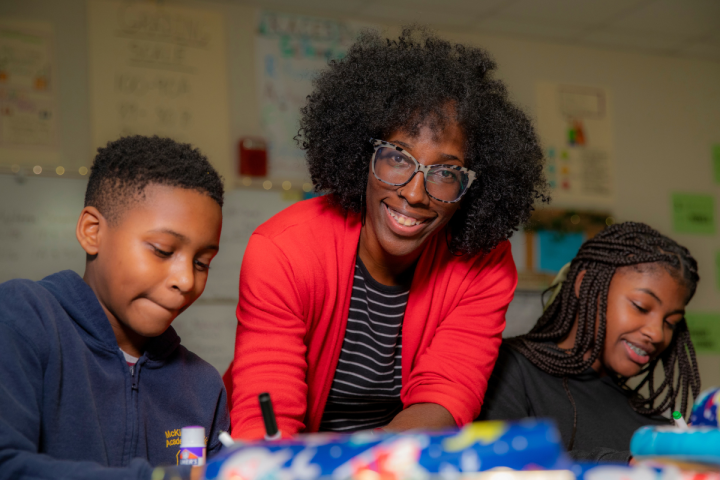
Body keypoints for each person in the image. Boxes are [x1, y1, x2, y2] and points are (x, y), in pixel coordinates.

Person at [226, 26, 548, 439]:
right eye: (397, 157)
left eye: (446, 172)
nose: (414, 194)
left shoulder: (484, 266)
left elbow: (444, 397)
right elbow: (268, 422)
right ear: (363, 153)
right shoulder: (285, 250)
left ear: (473, 186)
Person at [0, 136, 230, 480]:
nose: (186, 280)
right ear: (92, 232)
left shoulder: (202, 385)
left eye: (202, 262)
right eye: (162, 250)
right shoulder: (23, 318)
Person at [479, 222, 701, 463]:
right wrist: (631, 465)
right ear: (586, 286)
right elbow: (501, 464)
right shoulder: (506, 369)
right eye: (641, 307)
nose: (657, 334)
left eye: (670, 323)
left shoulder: (652, 430)